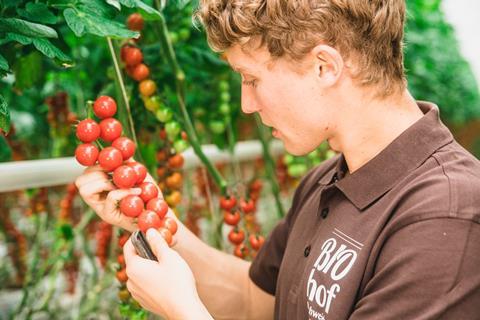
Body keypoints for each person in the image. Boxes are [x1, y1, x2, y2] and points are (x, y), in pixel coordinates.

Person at [75, 0, 480, 319]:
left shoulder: (446, 217)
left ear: (325, 67)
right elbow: (257, 304)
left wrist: (183, 311)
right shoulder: (327, 181)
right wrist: (158, 223)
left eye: (251, 79)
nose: (246, 104)